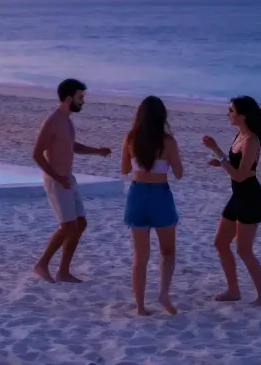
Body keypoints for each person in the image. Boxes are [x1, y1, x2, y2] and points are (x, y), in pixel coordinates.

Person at [203, 96, 261, 307]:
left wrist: (218, 152)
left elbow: (240, 175)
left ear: (243, 115)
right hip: (238, 196)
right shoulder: (241, 135)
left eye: (231, 110)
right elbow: (235, 167)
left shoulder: (251, 141)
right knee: (220, 243)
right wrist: (221, 162)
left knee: (244, 250)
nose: (228, 114)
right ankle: (233, 290)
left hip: (250, 198)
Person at [32, 78, 111, 283]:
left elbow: (71, 145)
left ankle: (63, 271)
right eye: (80, 97)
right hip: (56, 181)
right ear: (69, 98)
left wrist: (97, 151)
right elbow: (37, 154)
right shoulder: (52, 121)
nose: (82, 101)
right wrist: (58, 177)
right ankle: (41, 264)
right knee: (68, 226)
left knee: (80, 223)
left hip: (69, 179)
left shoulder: (67, 120)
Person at [121, 96, 183, 316]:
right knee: (167, 251)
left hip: (137, 194)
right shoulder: (168, 141)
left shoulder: (130, 138)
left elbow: (125, 170)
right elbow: (178, 173)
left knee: (140, 256)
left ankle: (139, 306)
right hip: (159, 195)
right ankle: (163, 293)